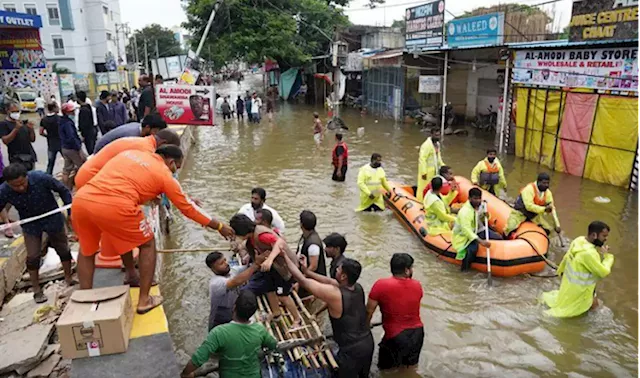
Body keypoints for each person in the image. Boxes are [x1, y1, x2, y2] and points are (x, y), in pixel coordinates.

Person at [73, 146, 234, 314]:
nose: (175, 172)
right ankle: (144, 300)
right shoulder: (165, 175)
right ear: (171, 162)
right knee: (147, 243)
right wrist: (219, 226)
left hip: (82, 200)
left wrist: (148, 196)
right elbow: (188, 208)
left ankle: (87, 297)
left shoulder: (131, 153)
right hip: (117, 206)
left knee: (87, 250)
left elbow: (127, 181)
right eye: (176, 168)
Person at [282, 252, 374, 377]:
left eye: (339, 269)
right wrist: (306, 271)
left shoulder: (334, 294)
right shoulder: (357, 288)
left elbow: (302, 281)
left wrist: (285, 256)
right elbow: (327, 280)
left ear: (343, 276)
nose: (336, 269)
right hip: (367, 342)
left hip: (351, 350)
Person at [0, 164, 76, 302]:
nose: (20, 188)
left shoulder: (41, 178)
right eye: (15, 186)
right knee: (33, 256)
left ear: (27, 177)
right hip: (30, 223)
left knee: (63, 248)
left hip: (52, 217)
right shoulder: (4, 190)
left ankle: (68, 278)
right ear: (8, 183)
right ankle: (36, 289)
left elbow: (63, 190)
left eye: (22, 183)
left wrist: (70, 212)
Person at [181, 291, 277, 378]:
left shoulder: (219, 333)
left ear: (234, 307)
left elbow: (198, 358)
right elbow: (273, 344)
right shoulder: (260, 330)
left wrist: (185, 374)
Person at [229, 214, 301, 327]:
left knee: (283, 296)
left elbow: (280, 242)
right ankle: (276, 312)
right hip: (274, 267)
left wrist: (270, 259)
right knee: (269, 288)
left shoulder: (262, 236)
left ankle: (297, 319)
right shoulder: (251, 236)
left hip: (285, 268)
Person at [541, 221, 614, 318]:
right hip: (582, 291)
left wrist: (560, 271)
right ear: (594, 235)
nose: (606, 239)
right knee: (592, 311)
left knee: (594, 305)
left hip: (571, 286)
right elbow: (603, 272)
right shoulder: (589, 254)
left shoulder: (579, 240)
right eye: (604, 236)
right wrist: (607, 257)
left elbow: (567, 257)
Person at [366, 253, 424, 370]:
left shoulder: (380, 285)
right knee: (410, 369)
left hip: (395, 335)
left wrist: (366, 326)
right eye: (412, 267)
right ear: (407, 270)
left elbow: (368, 312)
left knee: (386, 371)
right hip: (418, 333)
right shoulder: (417, 285)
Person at [75, 128, 181, 189]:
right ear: (164, 144)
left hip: (87, 175)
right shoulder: (146, 151)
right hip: (91, 179)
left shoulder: (143, 142)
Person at [206, 251, 267, 331]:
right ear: (213, 269)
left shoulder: (232, 270)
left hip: (234, 311)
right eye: (221, 263)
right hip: (220, 317)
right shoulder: (215, 283)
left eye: (225, 260)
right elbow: (236, 281)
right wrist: (256, 265)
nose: (226, 263)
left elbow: (247, 269)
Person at [453, 188, 502, 271]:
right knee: (472, 249)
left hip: (478, 230)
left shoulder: (480, 206)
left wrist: (485, 216)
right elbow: (467, 231)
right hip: (465, 236)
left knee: (499, 237)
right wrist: (481, 242)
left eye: (479, 198)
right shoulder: (465, 212)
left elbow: (482, 219)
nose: (478, 201)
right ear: (469, 199)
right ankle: (464, 270)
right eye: (475, 198)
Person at [505, 172, 561, 236]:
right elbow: (528, 206)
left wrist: (557, 225)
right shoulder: (529, 189)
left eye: (547, 183)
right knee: (510, 228)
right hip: (520, 213)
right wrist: (544, 209)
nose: (546, 185)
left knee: (548, 230)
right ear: (538, 182)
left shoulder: (548, 193)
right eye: (544, 183)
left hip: (534, 215)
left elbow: (552, 209)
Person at [93, 113, 168, 153]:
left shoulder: (138, 127)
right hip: (101, 154)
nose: (155, 136)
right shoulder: (132, 136)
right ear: (147, 127)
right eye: (155, 132)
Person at [296, 210, 326, 298]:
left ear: (301, 224)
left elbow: (313, 267)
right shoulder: (306, 236)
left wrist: (301, 281)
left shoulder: (313, 244)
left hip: (312, 281)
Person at [0, 102, 37, 170]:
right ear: (7, 111)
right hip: (16, 159)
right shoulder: (4, 124)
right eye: (13, 111)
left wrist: (31, 129)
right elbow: (5, 141)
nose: (16, 113)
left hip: (29, 157)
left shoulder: (22, 122)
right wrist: (16, 129)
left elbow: (32, 139)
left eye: (17, 111)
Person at [59, 103, 86, 188]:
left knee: (66, 169)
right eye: (72, 111)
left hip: (65, 148)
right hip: (72, 149)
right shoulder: (68, 123)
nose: (74, 113)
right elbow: (71, 137)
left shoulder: (61, 121)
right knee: (82, 166)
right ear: (67, 113)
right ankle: (81, 184)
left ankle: (66, 187)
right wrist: (78, 148)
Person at [416, 128, 445, 202]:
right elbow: (422, 159)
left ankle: (430, 201)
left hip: (434, 170)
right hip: (426, 171)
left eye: (439, 135)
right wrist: (423, 172)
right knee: (423, 187)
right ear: (431, 134)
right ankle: (420, 201)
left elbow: (438, 157)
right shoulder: (426, 145)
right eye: (436, 135)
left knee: (432, 187)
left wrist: (443, 166)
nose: (438, 137)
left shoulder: (437, 144)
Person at [39, 102, 62, 175]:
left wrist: (48, 136)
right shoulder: (59, 118)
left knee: (50, 163)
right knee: (68, 161)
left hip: (51, 143)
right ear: (54, 108)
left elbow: (41, 132)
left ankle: (48, 177)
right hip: (61, 142)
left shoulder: (44, 120)